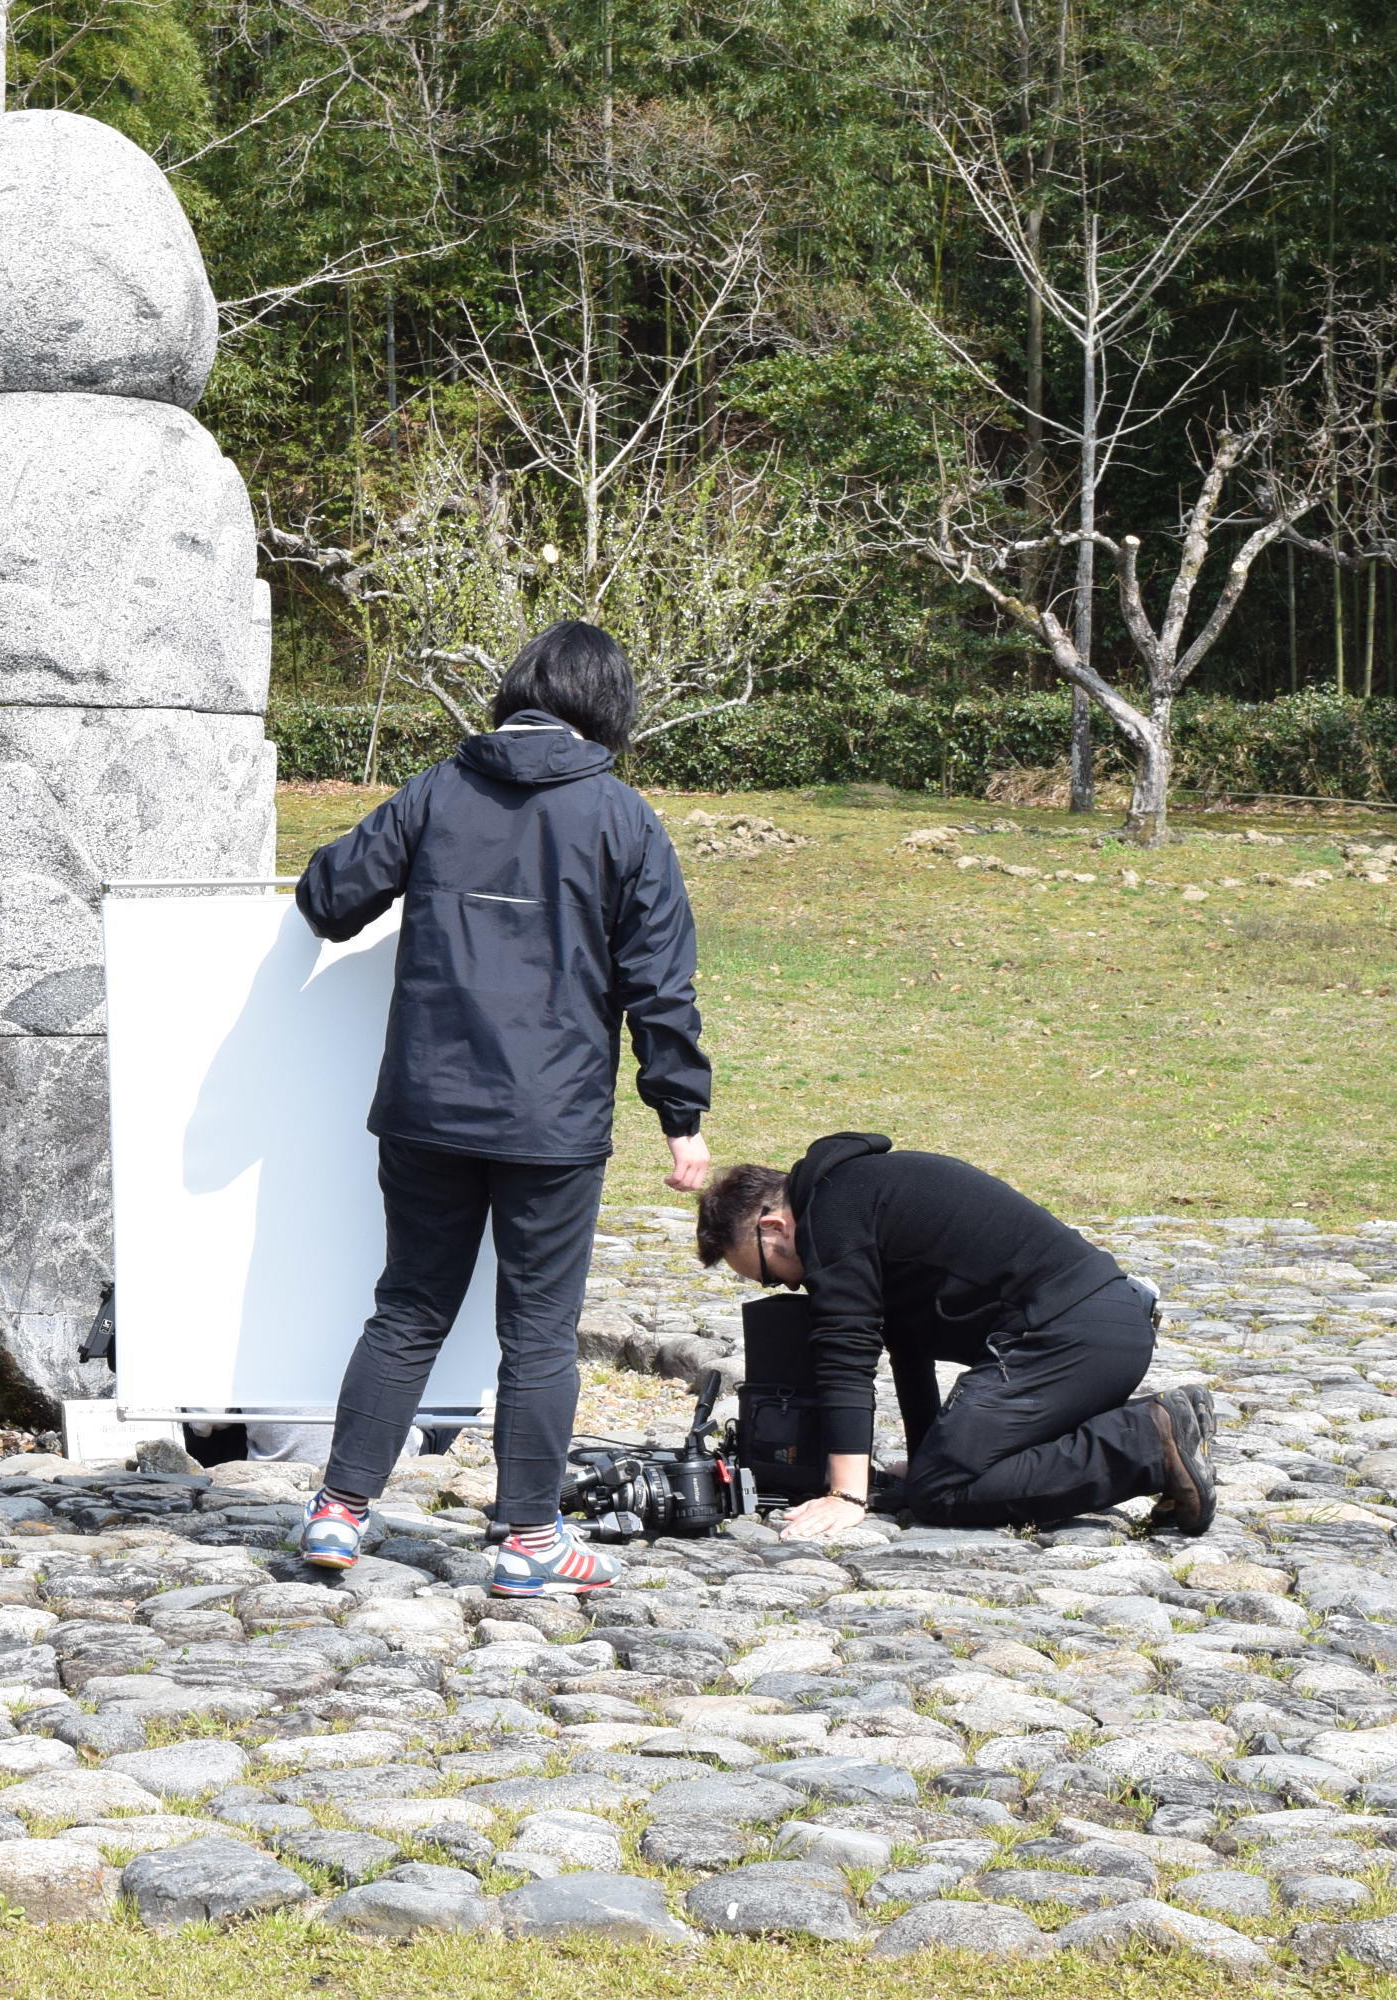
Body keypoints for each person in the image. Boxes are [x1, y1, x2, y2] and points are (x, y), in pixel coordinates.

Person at [291, 620, 712, 1596]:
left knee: (406, 1308)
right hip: (551, 1121)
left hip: (427, 1106)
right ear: (607, 707)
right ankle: (528, 1535)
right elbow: (662, 985)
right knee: (538, 1331)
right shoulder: (622, 819)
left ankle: (339, 1513)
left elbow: (329, 897)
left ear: (515, 691)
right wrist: (680, 1117)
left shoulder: (439, 790)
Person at [697, 1133, 1214, 1536]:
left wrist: (847, 1495)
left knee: (944, 1492)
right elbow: (907, 1346)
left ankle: (1146, 1442)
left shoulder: (832, 1215)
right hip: (1098, 1331)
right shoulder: (852, 1194)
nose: (788, 1284)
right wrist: (925, 1455)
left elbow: (846, 1356)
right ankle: (1155, 1433)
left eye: (769, 1274)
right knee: (932, 1477)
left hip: (1069, 1336)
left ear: (773, 1226)